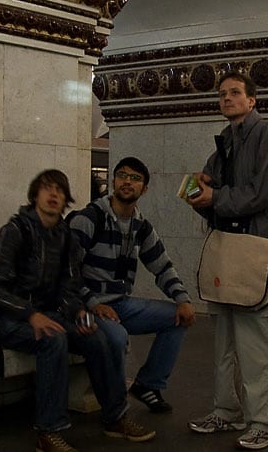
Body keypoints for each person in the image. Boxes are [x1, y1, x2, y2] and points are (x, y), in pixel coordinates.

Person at [0, 170, 156, 452]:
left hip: (50, 315)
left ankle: (115, 418)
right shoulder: (14, 231)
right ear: (35, 195)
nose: (53, 195)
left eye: (59, 191)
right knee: (54, 338)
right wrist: (30, 314)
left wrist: (79, 314)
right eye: (47, 189)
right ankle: (48, 432)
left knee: (99, 337)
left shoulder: (65, 237)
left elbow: (70, 288)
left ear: (66, 200)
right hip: (10, 319)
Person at [186, 72, 268, 450]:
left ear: (252, 100)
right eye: (222, 94)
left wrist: (215, 198)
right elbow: (215, 196)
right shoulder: (225, 145)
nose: (227, 99)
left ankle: (264, 422)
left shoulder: (267, 134)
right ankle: (226, 410)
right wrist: (201, 195)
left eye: (235, 93)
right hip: (230, 249)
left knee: (256, 343)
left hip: (258, 250)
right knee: (225, 341)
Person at [68, 156, 196, 415]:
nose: (128, 181)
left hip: (119, 304)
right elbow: (67, 272)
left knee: (177, 317)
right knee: (117, 337)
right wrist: (93, 304)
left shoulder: (141, 226)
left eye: (136, 178)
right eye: (122, 175)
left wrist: (182, 299)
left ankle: (148, 384)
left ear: (144, 189)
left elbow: (161, 266)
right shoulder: (90, 218)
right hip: (82, 309)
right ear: (113, 181)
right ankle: (115, 411)